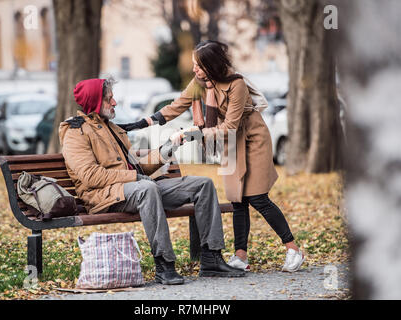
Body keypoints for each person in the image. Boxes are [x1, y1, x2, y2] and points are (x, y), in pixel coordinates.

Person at [120, 40, 305, 273]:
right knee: (238, 201)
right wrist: (140, 123)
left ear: (212, 64)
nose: (195, 69)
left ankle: (292, 248)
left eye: (199, 65)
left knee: (258, 197)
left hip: (251, 140)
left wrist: (194, 133)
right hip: (229, 144)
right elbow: (176, 106)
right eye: (194, 65)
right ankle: (240, 255)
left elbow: (230, 126)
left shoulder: (236, 84)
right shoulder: (200, 83)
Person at [58, 76, 246, 286]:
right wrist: (135, 177)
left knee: (202, 185)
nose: (115, 103)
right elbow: (90, 176)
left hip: (136, 188)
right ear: (94, 102)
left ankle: (211, 258)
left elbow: (137, 165)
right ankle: (164, 265)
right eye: (109, 99)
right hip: (104, 196)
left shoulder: (113, 128)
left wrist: (171, 146)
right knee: (147, 188)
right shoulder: (75, 131)